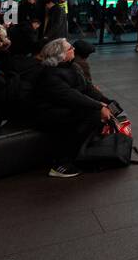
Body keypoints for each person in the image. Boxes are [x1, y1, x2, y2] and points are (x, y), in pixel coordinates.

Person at [31, 38, 114, 178]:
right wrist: (99, 106)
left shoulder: (72, 66)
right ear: (61, 56)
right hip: (48, 113)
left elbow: (87, 88)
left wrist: (108, 102)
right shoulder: (49, 75)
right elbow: (72, 96)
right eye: (70, 48)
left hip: (65, 107)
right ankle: (62, 164)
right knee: (92, 115)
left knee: (96, 112)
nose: (74, 49)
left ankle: (84, 152)